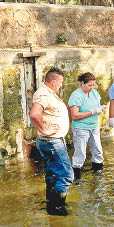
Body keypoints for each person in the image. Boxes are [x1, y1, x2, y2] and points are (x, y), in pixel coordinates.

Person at [29, 67, 73, 216]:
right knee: (67, 175)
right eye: (60, 82)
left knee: (53, 174)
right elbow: (34, 114)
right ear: (54, 81)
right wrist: (44, 129)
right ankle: (58, 208)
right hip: (51, 141)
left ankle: (51, 205)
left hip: (51, 141)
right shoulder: (43, 93)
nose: (61, 85)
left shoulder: (49, 93)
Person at [68, 72, 107, 179]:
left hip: (93, 126)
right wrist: (93, 112)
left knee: (98, 150)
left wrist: (100, 109)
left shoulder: (94, 93)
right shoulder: (76, 95)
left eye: (93, 85)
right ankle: (76, 176)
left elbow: (96, 106)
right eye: (89, 85)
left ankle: (98, 174)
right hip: (81, 128)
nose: (91, 87)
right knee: (80, 153)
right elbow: (74, 116)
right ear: (82, 83)